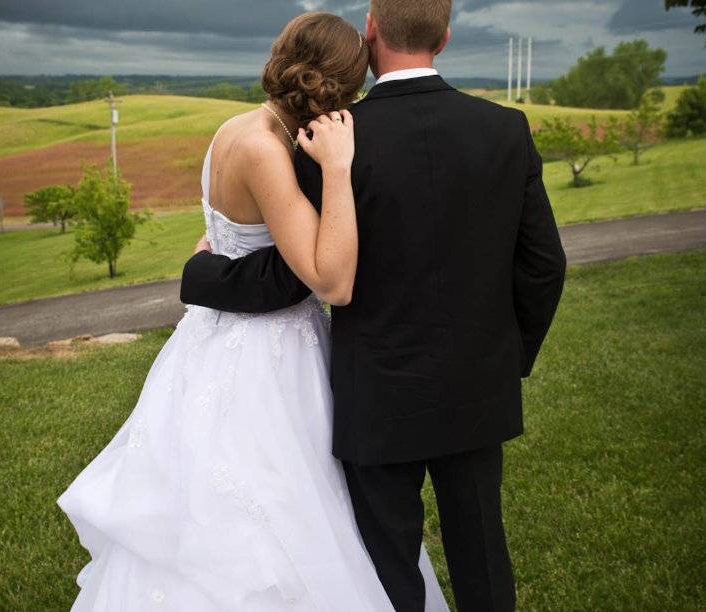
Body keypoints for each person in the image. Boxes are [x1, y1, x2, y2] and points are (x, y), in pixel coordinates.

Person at [179, 1, 568, 611]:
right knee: (482, 551)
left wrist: (204, 274)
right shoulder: (505, 128)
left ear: (371, 30)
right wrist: (506, 359)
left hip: (377, 394)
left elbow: (294, 276)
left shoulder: (329, 139)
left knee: (386, 563)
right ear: (444, 36)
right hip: (476, 384)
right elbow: (545, 266)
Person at [57, 11, 449, 612]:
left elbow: (225, 239)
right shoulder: (266, 150)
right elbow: (331, 279)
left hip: (214, 339)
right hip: (268, 358)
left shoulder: (235, 128)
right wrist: (339, 169)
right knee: (279, 509)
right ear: (338, 92)